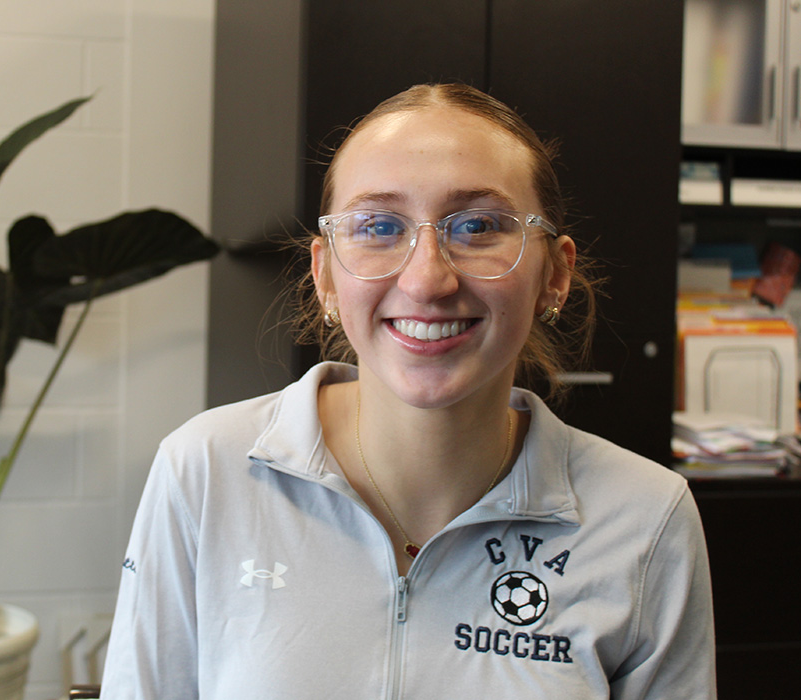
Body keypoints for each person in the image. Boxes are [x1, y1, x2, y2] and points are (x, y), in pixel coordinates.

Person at [99, 83, 716, 699]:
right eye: (377, 226)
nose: (426, 280)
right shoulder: (206, 471)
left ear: (555, 274)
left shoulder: (644, 519)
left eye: (478, 226)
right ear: (324, 275)